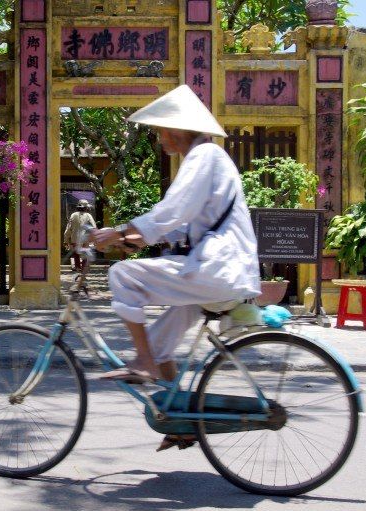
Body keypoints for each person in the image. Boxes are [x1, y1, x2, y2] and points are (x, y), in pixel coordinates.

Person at [91, 85, 261, 450]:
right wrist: (132, 237)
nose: (159, 136)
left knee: (122, 276)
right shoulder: (208, 159)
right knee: (159, 344)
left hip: (217, 271)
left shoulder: (204, 158)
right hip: (215, 271)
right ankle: (180, 421)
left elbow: (172, 213)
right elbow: (181, 226)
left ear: (178, 129)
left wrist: (120, 231)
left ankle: (143, 363)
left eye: (161, 129)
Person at [64, 199, 97, 272]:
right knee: (85, 254)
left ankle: (78, 268)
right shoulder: (88, 215)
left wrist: (66, 240)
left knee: (76, 254)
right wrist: (95, 239)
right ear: (86, 208)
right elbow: (94, 227)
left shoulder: (73, 215)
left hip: (75, 239)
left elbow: (69, 228)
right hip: (85, 239)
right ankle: (83, 270)